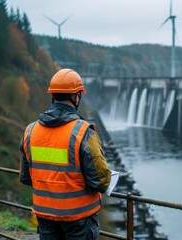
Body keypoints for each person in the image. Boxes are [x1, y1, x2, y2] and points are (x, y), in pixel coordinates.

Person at [19, 68, 113, 240]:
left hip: (45, 217)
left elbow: (26, 177)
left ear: (52, 95)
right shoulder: (84, 133)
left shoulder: (30, 132)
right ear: (76, 96)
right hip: (79, 220)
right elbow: (101, 181)